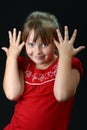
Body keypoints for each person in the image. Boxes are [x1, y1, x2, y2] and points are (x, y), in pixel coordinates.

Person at [2, 11, 85, 130]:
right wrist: (11, 58)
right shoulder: (22, 64)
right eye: (31, 44)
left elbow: (62, 95)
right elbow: (12, 94)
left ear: (56, 42)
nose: (37, 51)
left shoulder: (70, 64)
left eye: (44, 44)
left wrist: (65, 56)